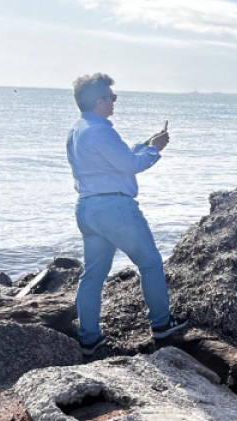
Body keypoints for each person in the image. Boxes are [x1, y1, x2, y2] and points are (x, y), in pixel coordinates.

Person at [66, 74, 188, 357]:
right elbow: (131, 164)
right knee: (150, 263)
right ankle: (162, 324)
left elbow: (115, 159)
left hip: (87, 208)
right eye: (112, 97)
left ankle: (89, 338)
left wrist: (145, 143)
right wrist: (155, 150)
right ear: (99, 101)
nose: (114, 102)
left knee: (93, 276)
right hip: (114, 209)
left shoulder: (77, 130)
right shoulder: (100, 131)